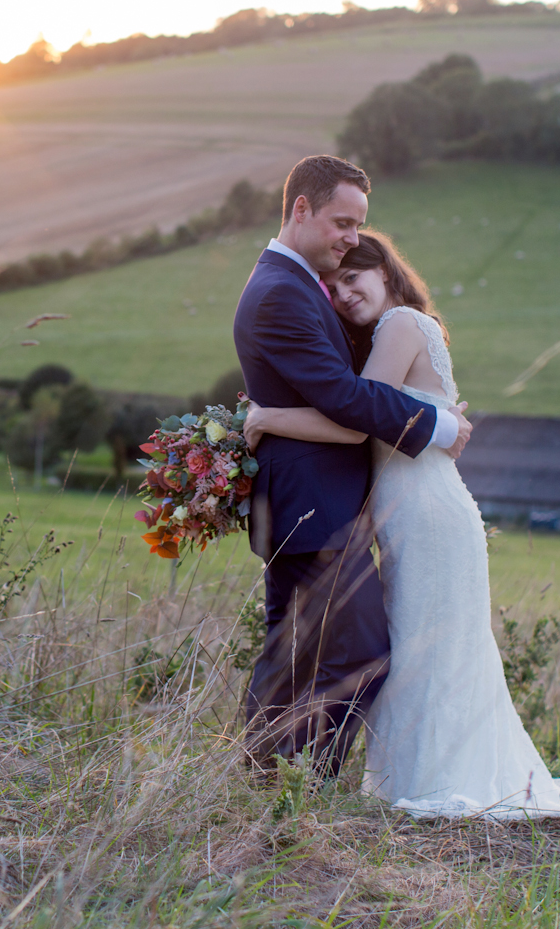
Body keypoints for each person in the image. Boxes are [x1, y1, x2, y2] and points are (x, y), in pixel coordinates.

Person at [243, 231, 560, 893]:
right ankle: (417, 781)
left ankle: (434, 785)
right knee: (426, 649)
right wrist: (439, 423)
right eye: (333, 287)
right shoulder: (394, 331)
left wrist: (266, 417)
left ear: (386, 271)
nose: (343, 292)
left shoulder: (398, 325)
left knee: (427, 651)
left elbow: (355, 420)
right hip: (415, 516)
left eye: (353, 277)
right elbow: (376, 413)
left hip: (428, 519)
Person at [232, 155, 473, 778]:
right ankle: (293, 785)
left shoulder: (298, 284)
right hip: (311, 508)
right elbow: (343, 398)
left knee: (296, 651)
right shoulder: (281, 292)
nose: (352, 237)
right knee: (354, 656)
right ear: (301, 208)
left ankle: (269, 784)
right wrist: (438, 423)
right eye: (343, 222)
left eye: (359, 225)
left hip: (315, 506)